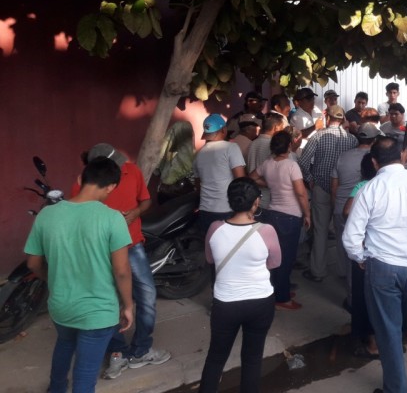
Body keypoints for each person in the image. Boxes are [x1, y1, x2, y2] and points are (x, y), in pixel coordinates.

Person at [342, 137, 407, 393]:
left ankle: (395, 388)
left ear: (373, 161)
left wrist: (360, 258)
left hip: (382, 267)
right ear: (404, 154)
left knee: (388, 330)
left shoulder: (370, 188)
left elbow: (350, 237)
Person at [25, 157, 134, 393]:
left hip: (61, 305)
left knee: (64, 344)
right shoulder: (112, 218)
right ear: (111, 187)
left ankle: (56, 389)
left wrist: (52, 278)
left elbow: (33, 264)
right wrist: (127, 305)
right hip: (98, 312)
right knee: (85, 377)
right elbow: (122, 271)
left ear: (80, 179)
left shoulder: (47, 215)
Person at [72, 144, 170, 380]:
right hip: (101, 249)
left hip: (133, 244)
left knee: (147, 295)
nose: (121, 165)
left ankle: (141, 349)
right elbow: (77, 213)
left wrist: (136, 213)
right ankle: (118, 352)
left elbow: (145, 201)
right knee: (111, 302)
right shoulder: (84, 181)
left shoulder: (132, 171)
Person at [199, 178, 281, 393]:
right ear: (256, 202)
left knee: (216, 358)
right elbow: (275, 262)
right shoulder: (267, 231)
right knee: (253, 359)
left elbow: (210, 259)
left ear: (230, 201)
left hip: (225, 304)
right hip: (260, 303)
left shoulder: (215, 228)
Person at [250, 131, 311, 310]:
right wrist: (307, 214)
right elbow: (301, 193)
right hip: (290, 217)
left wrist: (269, 184)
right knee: (286, 259)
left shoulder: (267, 164)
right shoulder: (292, 166)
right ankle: (282, 298)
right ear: (289, 145)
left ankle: (277, 289)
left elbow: (251, 177)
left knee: (274, 256)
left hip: (272, 214)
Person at [298, 105, 357, 282]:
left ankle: (318, 271)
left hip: (321, 188)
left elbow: (302, 162)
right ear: (343, 118)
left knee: (320, 231)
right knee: (343, 231)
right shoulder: (351, 139)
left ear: (327, 116)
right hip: (344, 191)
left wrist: (310, 178)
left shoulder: (317, 136)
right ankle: (342, 271)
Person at [331, 123, 381, 305]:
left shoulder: (343, 156)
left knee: (344, 249)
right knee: (361, 255)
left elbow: (334, 185)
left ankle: (349, 286)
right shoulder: (374, 159)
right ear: (374, 140)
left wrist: (336, 206)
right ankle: (358, 297)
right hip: (363, 214)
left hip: (341, 208)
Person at [343, 152, 380, 360]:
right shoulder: (386, 186)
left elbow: (347, 211)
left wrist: (362, 223)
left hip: (364, 250)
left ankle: (364, 339)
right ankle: (377, 340)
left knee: (361, 297)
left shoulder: (362, 186)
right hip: (382, 252)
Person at [193, 113, 247, 234]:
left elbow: (198, 185)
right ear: (223, 129)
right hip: (226, 209)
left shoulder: (199, 154)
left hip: (205, 210)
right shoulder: (231, 148)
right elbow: (240, 180)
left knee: (211, 248)